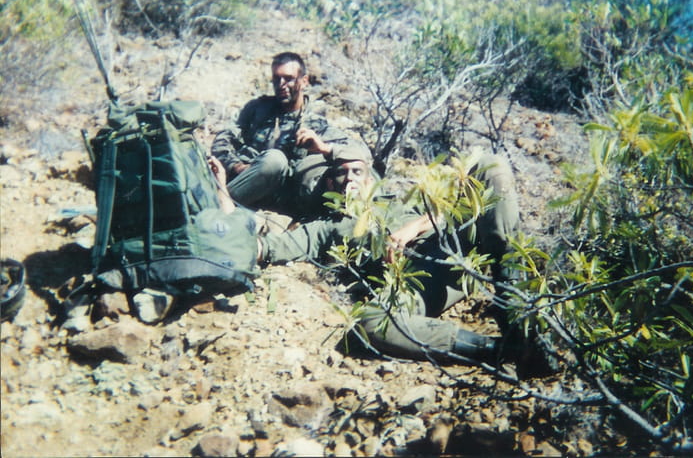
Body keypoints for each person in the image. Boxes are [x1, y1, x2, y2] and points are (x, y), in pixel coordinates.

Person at [210, 147, 522, 366]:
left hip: (455, 250)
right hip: (415, 285)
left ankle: (520, 319)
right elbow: (267, 248)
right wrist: (224, 194)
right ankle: (497, 350)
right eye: (341, 173)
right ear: (330, 184)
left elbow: (450, 208)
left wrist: (415, 226)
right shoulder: (325, 227)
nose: (349, 178)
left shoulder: (403, 201)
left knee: (491, 164)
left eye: (357, 171)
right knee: (370, 324)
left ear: (371, 180)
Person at [211, 52, 370, 219]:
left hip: (282, 197)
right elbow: (223, 139)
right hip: (242, 181)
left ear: (304, 81)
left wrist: (324, 148)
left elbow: (361, 152)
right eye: (276, 79)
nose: (281, 85)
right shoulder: (257, 109)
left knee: (275, 161)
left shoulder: (315, 122)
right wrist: (236, 166)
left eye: (288, 79)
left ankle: (213, 207)